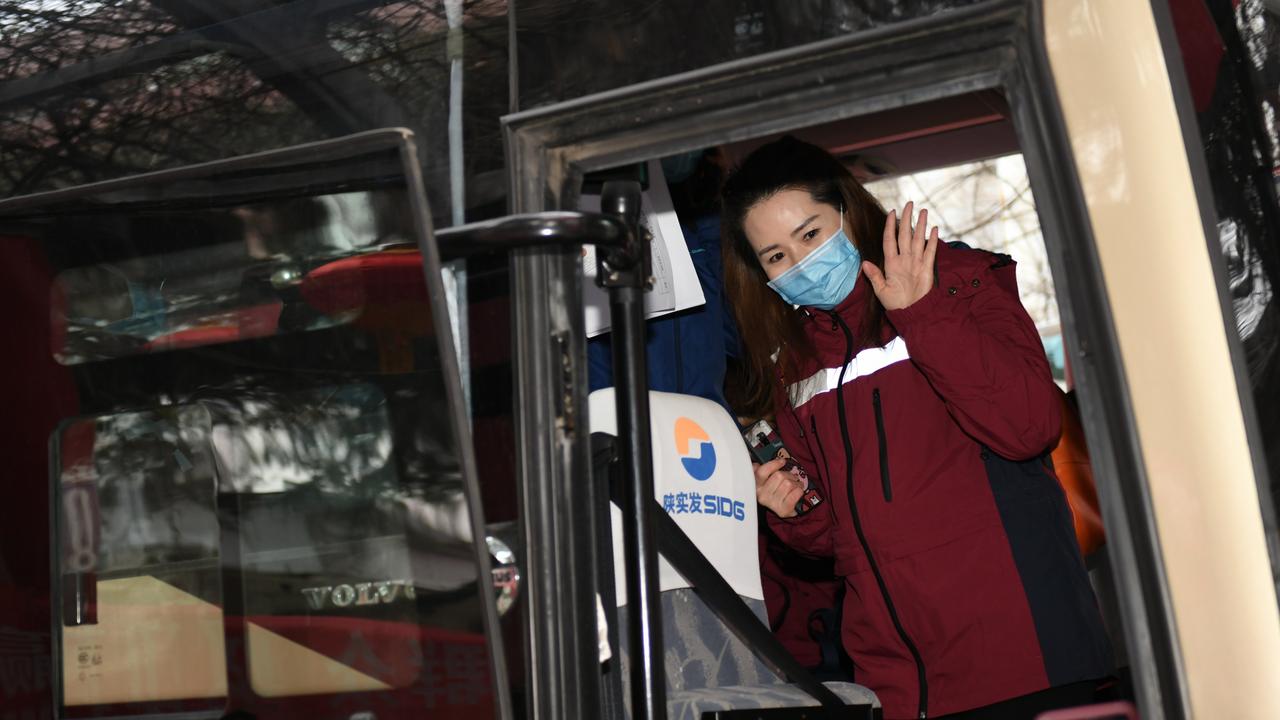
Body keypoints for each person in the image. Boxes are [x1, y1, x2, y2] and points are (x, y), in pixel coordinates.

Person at [720, 137, 1112, 719]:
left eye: (810, 234)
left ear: (849, 214)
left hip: (1024, 660)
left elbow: (1029, 425)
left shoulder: (956, 279)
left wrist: (921, 311)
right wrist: (793, 511)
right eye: (776, 256)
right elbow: (837, 540)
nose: (800, 263)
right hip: (900, 685)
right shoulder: (793, 368)